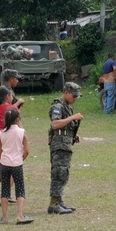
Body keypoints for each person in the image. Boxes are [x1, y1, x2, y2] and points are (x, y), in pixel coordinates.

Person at [48, 82, 84, 215]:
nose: (75, 99)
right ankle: (53, 204)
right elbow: (55, 124)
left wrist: (73, 135)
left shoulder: (67, 107)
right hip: (59, 145)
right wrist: (73, 118)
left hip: (66, 144)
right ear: (66, 92)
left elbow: (65, 126)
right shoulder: (57, 106)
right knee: (58, 173)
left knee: (64, 173)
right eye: (74, 96)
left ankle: (59, 201)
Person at [0, 107, 32, 224]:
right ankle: (19, 215)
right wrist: (21, 159)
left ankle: (5, 216)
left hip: (4, 163)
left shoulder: (1, 132)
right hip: (17, 163)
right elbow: (27, 150)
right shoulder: (21, 132)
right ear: (17, 120)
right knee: (20, 189)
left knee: (5, 189)